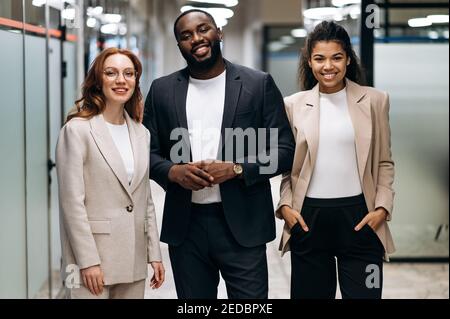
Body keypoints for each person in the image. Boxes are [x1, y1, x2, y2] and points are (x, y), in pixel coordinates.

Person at [143, 9, 295, 299]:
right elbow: (146, 153)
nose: (196, 39)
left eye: (203, 29)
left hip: (243, 223)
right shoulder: (162, 90)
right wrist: (173, 172)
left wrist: (237, 168)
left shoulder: (257, 84)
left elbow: (285, 150)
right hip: (186, 227)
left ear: (219, 32)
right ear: (179, 45)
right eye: (186, 36)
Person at [277, 21, 395, 299]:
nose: (328, 66)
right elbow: (288, 169)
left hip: (362, 220)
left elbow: (385, 162)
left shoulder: (376, 100)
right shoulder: (292, 105)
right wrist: (285, 206)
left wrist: (382, 208)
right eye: (319, 58)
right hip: (308, 221)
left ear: (348, 59)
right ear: (309, 61)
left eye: (336, 57)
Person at [56, 47, 165, 299]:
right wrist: (88, 261)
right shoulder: (77, 130)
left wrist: (154, 254)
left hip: (133, 256)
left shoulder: (141, 133)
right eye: (111, 73)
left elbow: (144, 199)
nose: (121, 80)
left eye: (129, 73)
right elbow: (72, 204)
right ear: (98, 80)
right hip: (91, 260)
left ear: (136, 81)